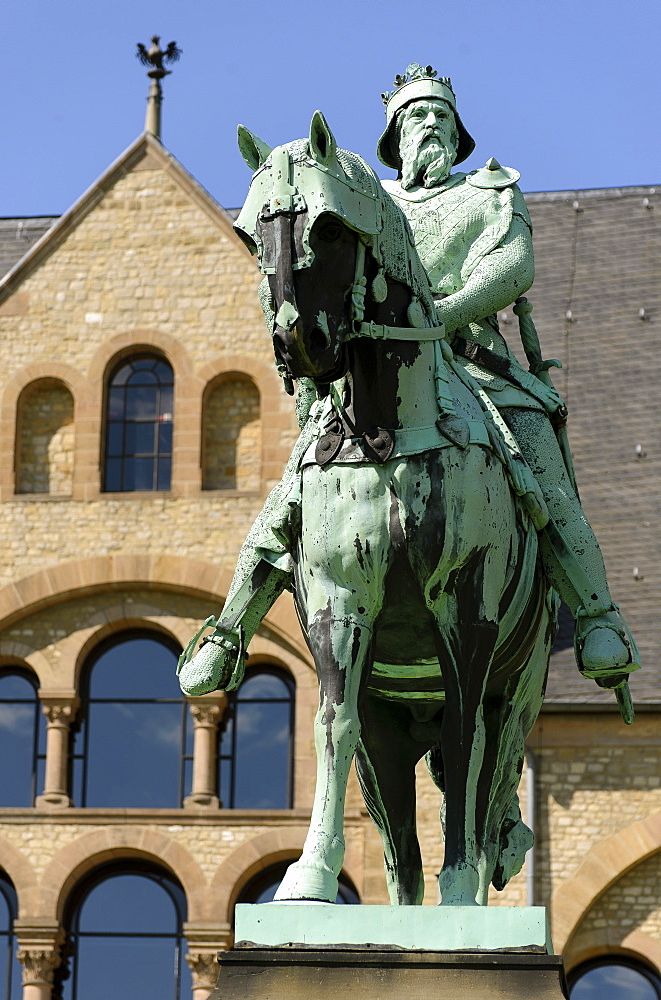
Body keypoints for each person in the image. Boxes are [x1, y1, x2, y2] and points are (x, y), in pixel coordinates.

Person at [177, 66, 639, 698]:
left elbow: (513, 265)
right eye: (418, 116)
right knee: (297, 481)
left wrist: (443, 315)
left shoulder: (488, 190)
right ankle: (230, 630)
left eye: (442, 116)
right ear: (394, 135)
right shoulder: (370, 205)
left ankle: (595, 617)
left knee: (541, 466)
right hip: (379, 377)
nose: (432, 126)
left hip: (478, 367)